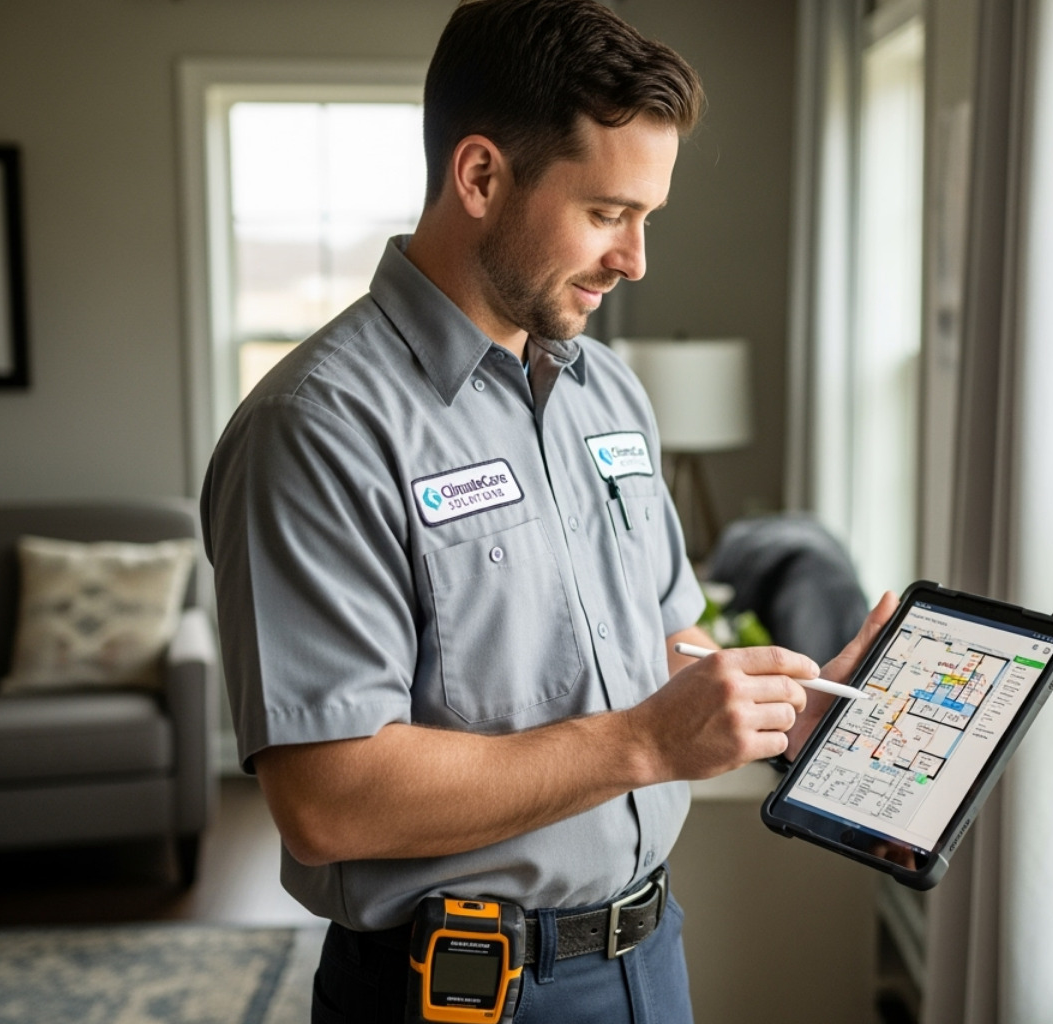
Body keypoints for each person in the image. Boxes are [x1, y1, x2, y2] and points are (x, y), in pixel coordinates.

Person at [201, 2, 896, 1021]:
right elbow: (328, 799)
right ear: (480, 177)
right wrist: (647, 744)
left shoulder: (607, 393)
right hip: (457, 994)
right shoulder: (317, 428)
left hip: (650, 955)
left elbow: (654, 649)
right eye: (609, 213)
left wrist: (784, 706)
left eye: (647, 219)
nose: (636, 259)